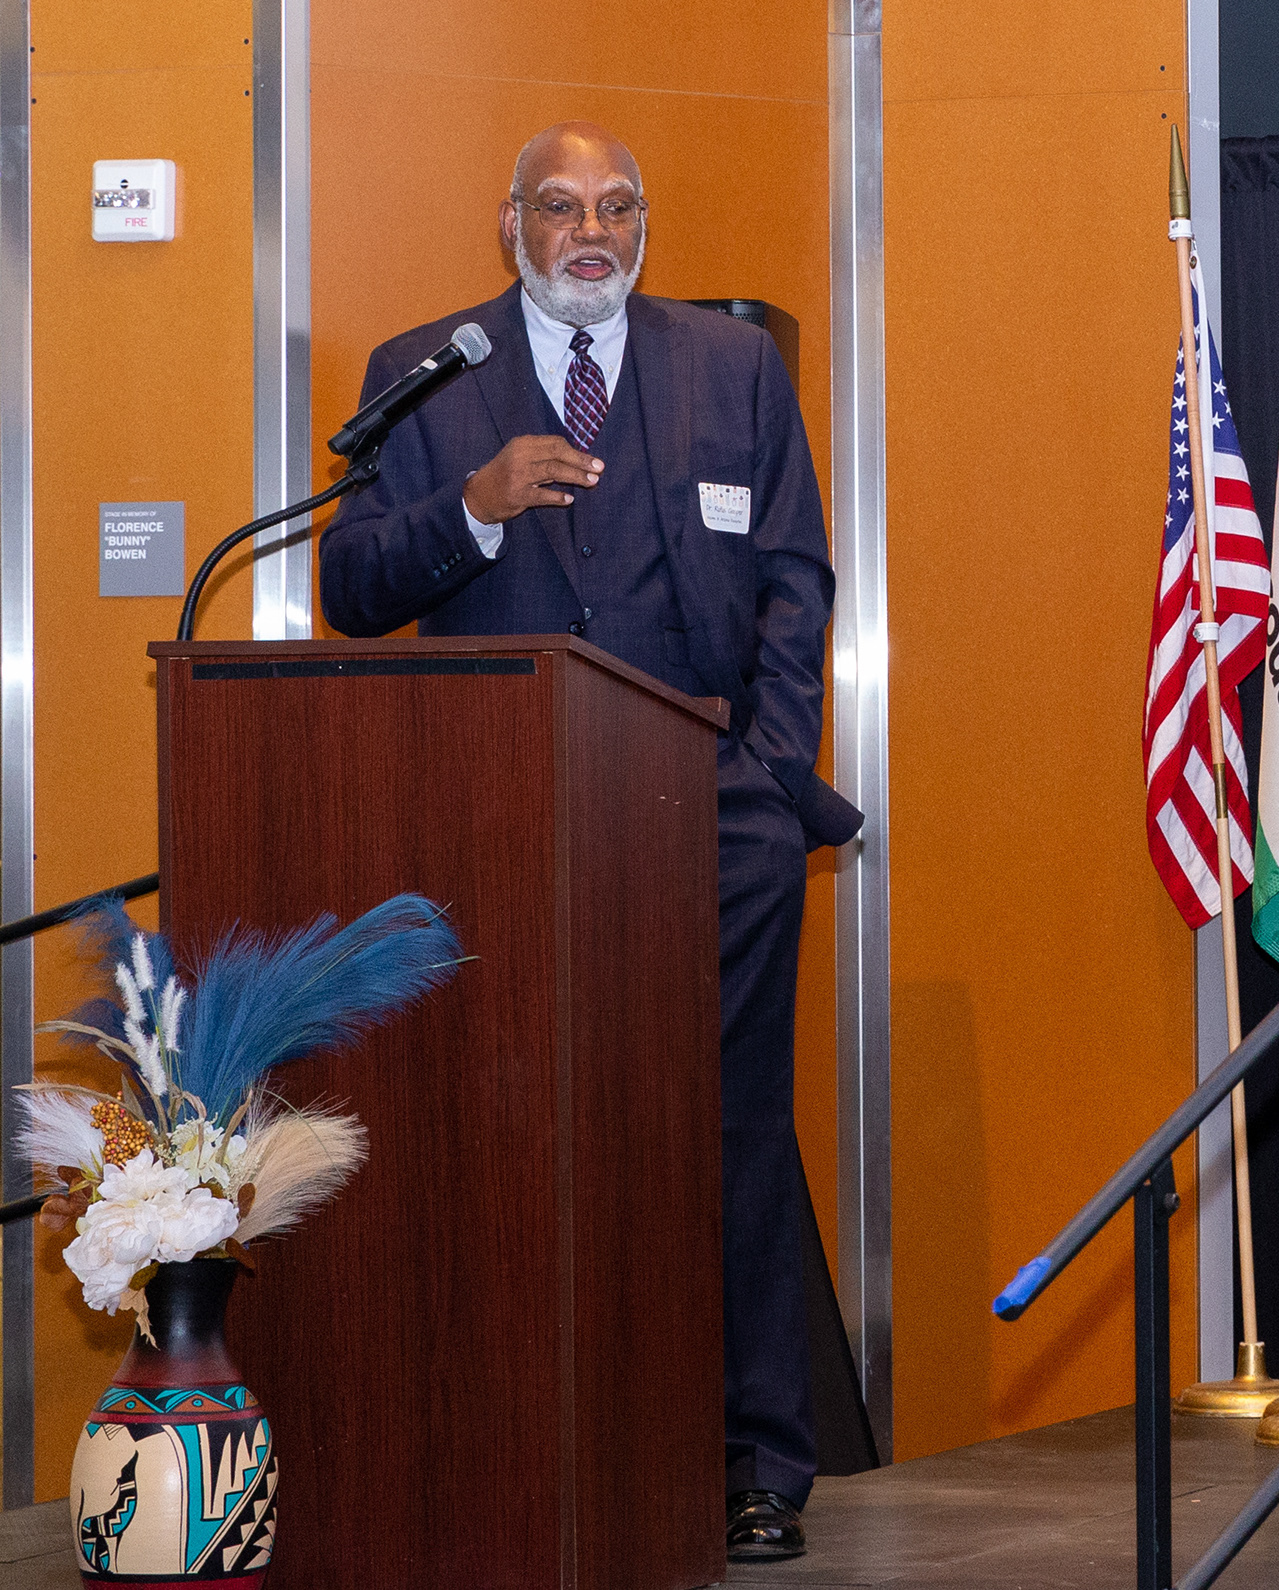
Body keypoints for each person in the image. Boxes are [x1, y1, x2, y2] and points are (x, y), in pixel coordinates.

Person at [318, 121, 860, 1563]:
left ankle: (755, 1464)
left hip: (716, 819)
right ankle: (520, 1440)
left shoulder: (732, 368)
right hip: (501, 822)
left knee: (731, 1135)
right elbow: (350, 586)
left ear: (643, 226)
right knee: (514, 1136)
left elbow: (796, 579)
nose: (591, 231)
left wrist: (768, 773)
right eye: (560, 208)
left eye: (617, 207)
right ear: (512, 227)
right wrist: (473, 510)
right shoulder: (428, 373)